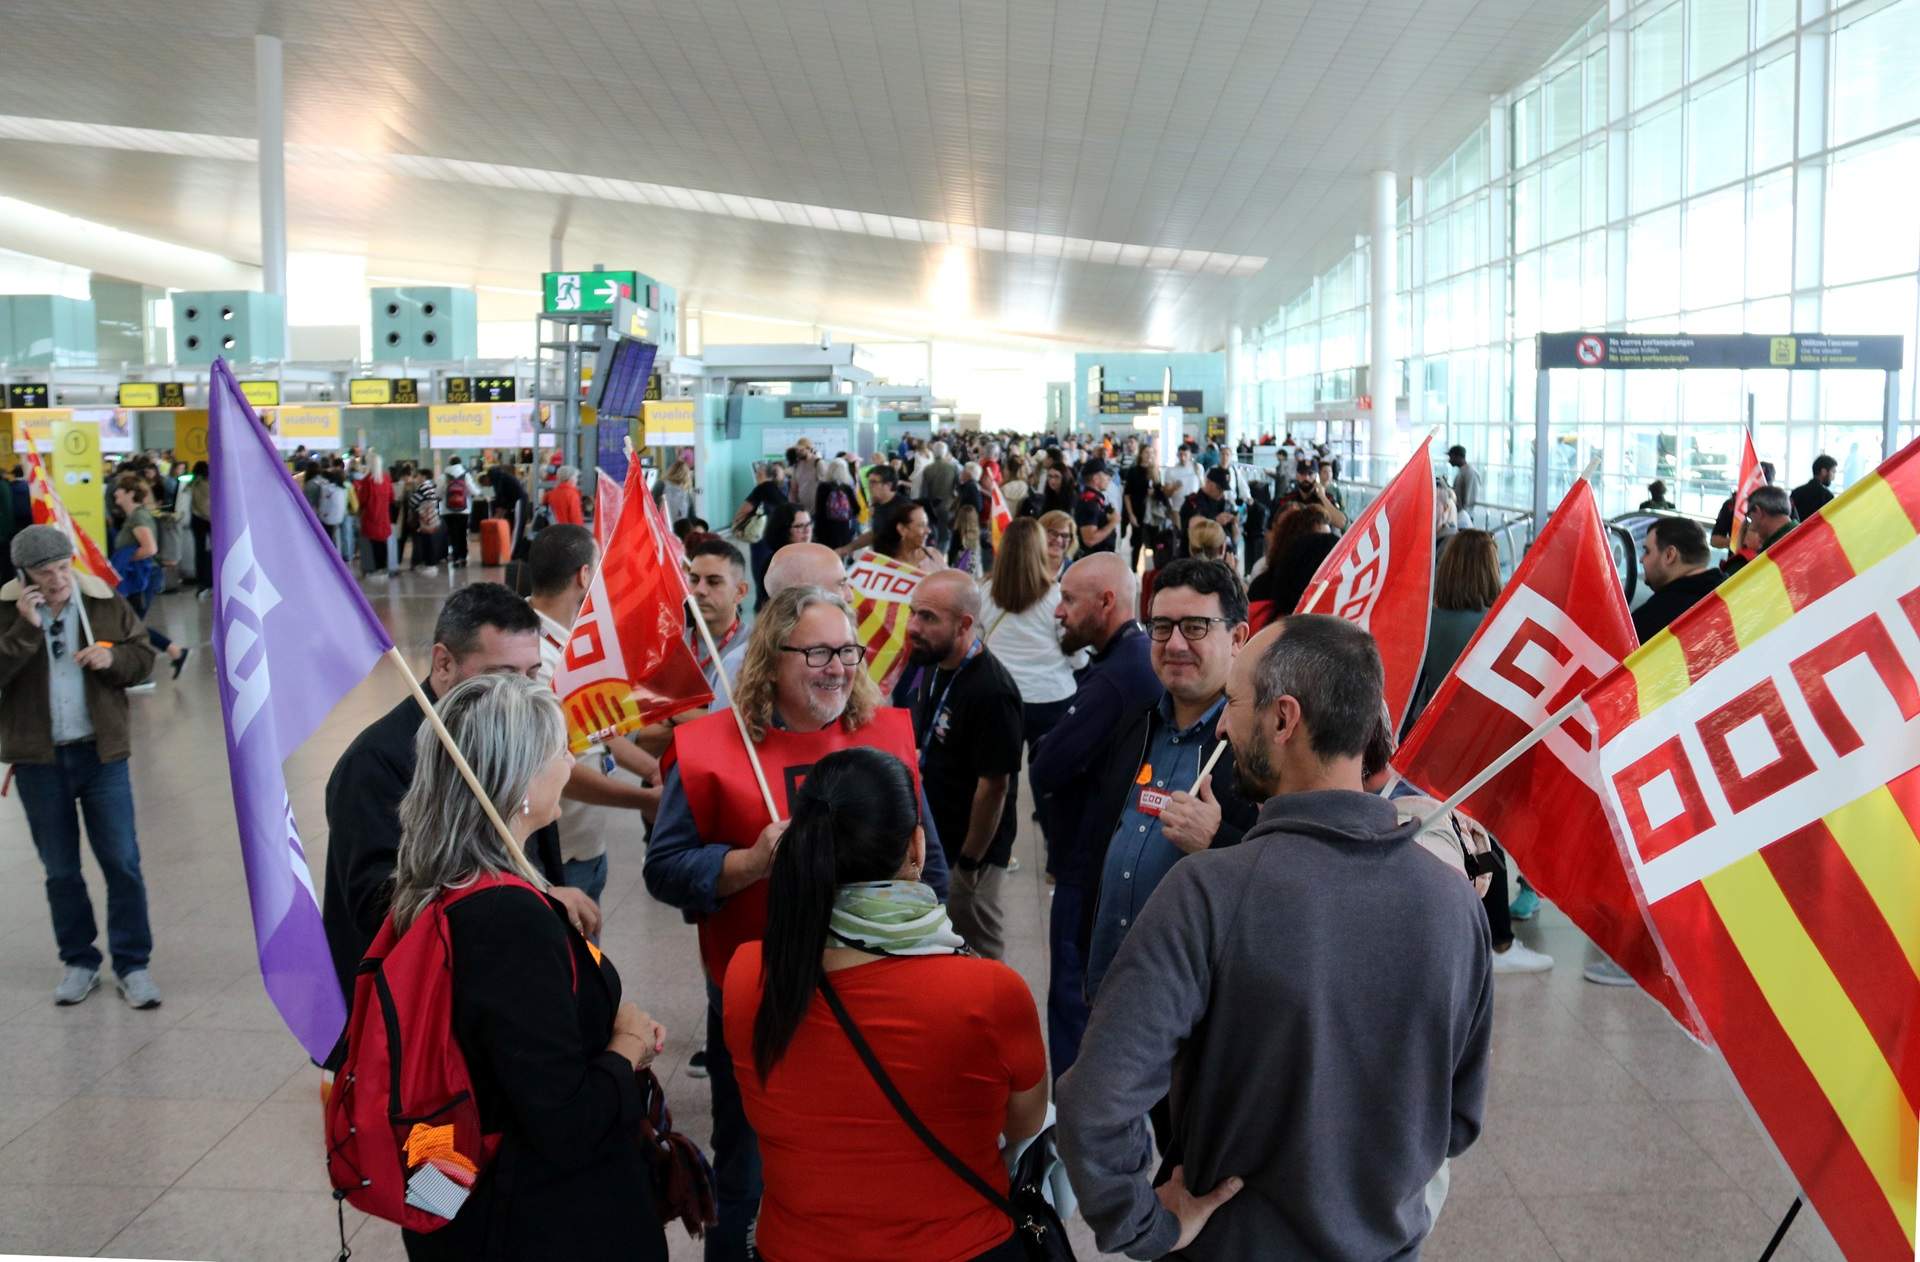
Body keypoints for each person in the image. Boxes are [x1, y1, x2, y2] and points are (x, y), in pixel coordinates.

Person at [1058, 616, 1493, 1259]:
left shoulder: (1206, 893)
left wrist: (1147, 1224)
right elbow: (1456, 1120)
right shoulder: (1455, 900)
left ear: (1283, 719)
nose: (1225, 726)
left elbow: (1096, 1105)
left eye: (1232, 703)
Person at [642, 586, 949, 1261]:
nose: (838, 666)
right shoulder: (706, 749)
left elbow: (931, 868)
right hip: (759, 997)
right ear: (768, 659)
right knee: (747, 1167)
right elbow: (664, 870)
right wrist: (748, 864)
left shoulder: (887, 734)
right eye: (817, 652)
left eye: (847, 650)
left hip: (874, 998)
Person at [723, 747, 1046, 1262]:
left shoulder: (747, 975)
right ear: (917, 849)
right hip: (963, 1246)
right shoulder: (990, 993)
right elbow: (1024, 1125)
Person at [388, 673, 670, 1262]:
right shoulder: (507, 920)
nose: (570, 759)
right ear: (517, 781)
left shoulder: (439, 881)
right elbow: (562, 1123)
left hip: (464, 1190)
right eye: (557, 748)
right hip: (531, 1219)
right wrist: (627, 1046)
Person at [323, 583, 600, 1011]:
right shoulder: (376, 762)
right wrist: (532, 901)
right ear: (444, 663)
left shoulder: (515, 739)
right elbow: (377, 904)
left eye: (531, 675)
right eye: (505, 675)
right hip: (421, 1000)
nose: (523, 692)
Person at [1081, 559, 1259, 1005]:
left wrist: (1217, 842)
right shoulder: (1135, 725)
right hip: (1110, 991)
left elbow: (1292, 883)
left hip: (1196, 1015)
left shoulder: (1260, 752)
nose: (1174, 643)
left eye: (1195, 626)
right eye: (1161, 626)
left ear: (1237, 638)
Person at [1, 526, 162, 1008]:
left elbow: (143, 657)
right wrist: (24, 631)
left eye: (61, 567)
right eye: (43, 572)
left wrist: (111, 659)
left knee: (122, 862)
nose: (55, 580)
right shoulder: (9, 612)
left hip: (101, 754)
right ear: (23, 574)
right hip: (39, 759)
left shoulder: (101, 601)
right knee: (61, 870)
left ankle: (133, 965)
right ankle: (79, 961)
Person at [1030, 552, 1157, 1078]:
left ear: (1107, 602)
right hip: (1111, 857)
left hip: (1089, 868)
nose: (1058, 612)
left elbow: (1046, 765)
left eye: (1068, 600)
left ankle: (1070, 1136)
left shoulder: (1116, 677)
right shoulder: (1129, 661)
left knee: (1073, 1000)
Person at [526, 525, 661, 909]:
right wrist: (644, 800)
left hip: (586, 838)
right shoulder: (533, 657)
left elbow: (593, 726)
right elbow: (556, 769)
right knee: (580, 962)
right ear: (583, 575)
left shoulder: (569, 636)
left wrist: (650, 769)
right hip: (558, 851)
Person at [895, 571, 1023, 960]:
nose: (913, 626)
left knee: (978, 952)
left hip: (972, 854)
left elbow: (994, 789)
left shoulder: (993, 692)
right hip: (938, 840)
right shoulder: (934, 663)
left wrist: (968, 864)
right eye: (913, 612)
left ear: (965, 624)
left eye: (928, 617)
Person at [979, 518, 1084, 803]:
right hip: (1050, 696)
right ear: (1039, 550)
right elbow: (1074, 653)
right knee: (1049, 773)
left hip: (1001, 697)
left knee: (1000, 780)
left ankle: (1000, 835)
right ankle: (1049, 824)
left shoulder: (984, 593)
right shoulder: (1056, 597)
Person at [108, 475, 188, 681]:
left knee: (132, 626)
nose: (115, 492)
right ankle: (174, 651)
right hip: (139, 579)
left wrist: (123, 560)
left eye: (119, 489)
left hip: (141, 579)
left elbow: (150, 548)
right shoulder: (135, 516)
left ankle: (142, 672)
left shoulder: (138, 517)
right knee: (132, 624)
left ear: (130, 494)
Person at [1633, 516, 1724, 643]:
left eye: (1647, 551)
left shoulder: (1651, 619)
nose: (1641, 559)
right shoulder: (1730, 593)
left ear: (1670, 555)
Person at [1178, 466, 1238, 557]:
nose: (1222, 493)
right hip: (1196, 558)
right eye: (1219, 488)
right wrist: (1215, 521)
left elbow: (1230, 534)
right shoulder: (1193, 502)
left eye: (1223, 490)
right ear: (1209, 483)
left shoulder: (1224, 503)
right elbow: (1193, 528)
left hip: (1221, 557)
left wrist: (1234, 525)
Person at [875, 500, 945, 573]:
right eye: (921, 525)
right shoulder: (889, 566)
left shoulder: (933, 555)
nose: (928, 531)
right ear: (902, 529)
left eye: (927, 524)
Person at [812, 458, 859, 551]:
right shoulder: (847, 488)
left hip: (825, 529)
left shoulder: (822, 487)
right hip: (844, 529)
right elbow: (857, 509)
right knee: (842, 555)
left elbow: (819, 510)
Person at [360, 453, 395, 577]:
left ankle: (375, 568)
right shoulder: (386, 479)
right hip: (384, 517)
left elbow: (362, 500)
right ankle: (383, 566)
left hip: (370, 517)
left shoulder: (367, 481)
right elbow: (392, 497)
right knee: (383, 542)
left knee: (373, 544)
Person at [920, 441, 960, 547]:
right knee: (945, 533)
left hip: (931, 505)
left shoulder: (927, 469)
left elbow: (923, 492)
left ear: (933, 452)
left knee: (932, 532)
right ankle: (942, 557)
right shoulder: (953, 467)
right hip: (948, 505)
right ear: (945, 452)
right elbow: (959, 487)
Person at [1074, 460, 1120, 555]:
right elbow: (1089, 540)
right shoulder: (1090, 503)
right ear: (1096, 479)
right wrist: (1113, 522)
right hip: (1094, 561)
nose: (1109, 479)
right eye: (1106, 475)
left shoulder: (1094, 499)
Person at [442, 456, 478, 569]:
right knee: (462, 533)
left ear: (449, 463)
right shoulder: (465, 475)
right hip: (464, 510)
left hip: (447, 510)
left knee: (453, 534)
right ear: (460, 463)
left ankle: (455, 558)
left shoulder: (444, 476)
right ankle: (463, 557)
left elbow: (437, 493)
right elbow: (473, 491)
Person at [1741, 484, 1795, 558]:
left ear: (1758, 512)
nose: (1751, 526)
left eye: (1750, 517)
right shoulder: (1804, 534)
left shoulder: (1776, 548)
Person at [490, 463, 532, 558]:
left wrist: (498, 513)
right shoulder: (504, 477)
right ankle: (514, 552)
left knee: (517, 528)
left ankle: (512, 553)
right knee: (518, 527)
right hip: (520, 501)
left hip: (519, 501)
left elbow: (501, 498)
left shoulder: (500, 479)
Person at [189, 460, 213, 598]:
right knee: (210, 552)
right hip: (208, 521)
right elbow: (206, 507)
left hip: (196, 521)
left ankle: (201, 581)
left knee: (199, 552)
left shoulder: (192, 484)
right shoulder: (206, 485)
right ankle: (209, 580)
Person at [1791, 455, 1837, 522]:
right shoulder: (1827, 496)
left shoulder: (1796, 492)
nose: (1833, 477)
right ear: (1823, 471)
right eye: (1833, 472)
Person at [656, 458, 698, 532]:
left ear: (671, 471)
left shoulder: (661, 485)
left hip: (662, 531)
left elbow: (650, 506)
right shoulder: (687, 493)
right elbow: (692, 518)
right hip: (680, 533)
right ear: (686, 475)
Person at [1038, 509, 1078, 579]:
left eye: (1065, 536)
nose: (1059, 540)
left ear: (1071, 541)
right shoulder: (1023, 564)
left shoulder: (1075, 572)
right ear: (1039, 533)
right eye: (1053, 533)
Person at [1447, 444, 1481, 525]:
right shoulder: (1462, 471)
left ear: (1459, 457)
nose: (1449, 460)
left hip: (1465, 517)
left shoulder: (1470, 472)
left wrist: (1463, 514)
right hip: (1460, 516)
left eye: (1451, 457)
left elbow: (1470, 499)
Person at [948, 504, 984, 578]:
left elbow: (951, 554)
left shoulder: (957, 534)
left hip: (959, 573)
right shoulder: (977, 533)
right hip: (975, 572)